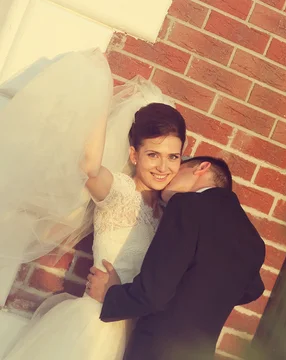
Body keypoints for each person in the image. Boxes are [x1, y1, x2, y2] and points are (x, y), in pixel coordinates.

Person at [0, 50, 187, 360]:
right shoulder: (119, 193)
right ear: (133, 155)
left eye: (173, 156)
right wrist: (99, 94)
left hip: (134, 337)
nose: (163, 167)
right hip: (94, 328)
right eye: (153, 154)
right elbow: (89, 166)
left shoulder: (169, 212)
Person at [87, 156, 266, 360]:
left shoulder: (188, 204)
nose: (168, 177)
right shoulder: (253, 241)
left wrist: (110, 294)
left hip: (156, 350)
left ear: (202, 167)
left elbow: (153, 294)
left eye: (177, 169)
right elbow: (253, 289)